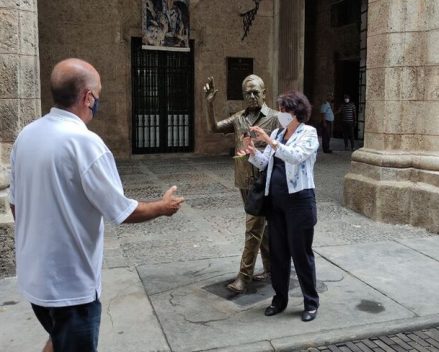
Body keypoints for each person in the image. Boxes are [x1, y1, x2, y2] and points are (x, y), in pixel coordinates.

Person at [9, 58, 185, 352]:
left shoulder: (26, 135)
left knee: (58, 338)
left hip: (35, 281)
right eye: (98, 94)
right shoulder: (85, 143)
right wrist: (162, 206)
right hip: (71, 287)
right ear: (88, 97)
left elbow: (16, 207)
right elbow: (122, 210)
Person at [238, 90, 320, 322]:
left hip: (299, 202)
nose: (282, 114)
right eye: (281, 110)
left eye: (286, 110)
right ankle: (279, 299)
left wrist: (269, 141)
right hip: (276, 203)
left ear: (298, 112)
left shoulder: (309, 134)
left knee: (301, 253)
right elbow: (267, 163)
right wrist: (253, 152)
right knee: (279, 254)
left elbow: (294, 156)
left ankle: (310, 302)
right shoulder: (278, 133)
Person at [203, 75, 280, 293]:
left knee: (253, 228)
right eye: (248, 93)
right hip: (244, 181)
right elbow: (214, 128)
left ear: (265, 93)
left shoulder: (275, 118)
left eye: (256, 92)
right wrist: (208, 104)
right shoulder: (238, 118)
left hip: (264, 182)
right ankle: (271, 268)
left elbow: (285, 145)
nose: (253, 96)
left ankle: (244, 276)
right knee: (260, 226)